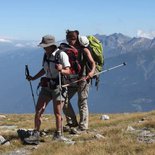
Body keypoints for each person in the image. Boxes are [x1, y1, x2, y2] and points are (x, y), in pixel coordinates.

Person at [26, 35, 71, 140]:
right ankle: (36, 132)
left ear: (52, 46)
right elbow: (44, 70)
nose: (43, 48)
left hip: (58, 87)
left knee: (57, 112)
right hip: (47, 86)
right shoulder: (46, 55)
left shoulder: (62, 55)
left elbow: (68, 71)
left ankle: (58, 134)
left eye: (45, 46)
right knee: (38, 109)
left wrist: (61, 70)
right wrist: (33, 78)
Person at [63, 30, 96, 133]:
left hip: (84, 79)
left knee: (82, 101)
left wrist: (91, 73)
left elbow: (92, 62)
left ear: (75, 39)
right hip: (73, 78)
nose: (69, 41)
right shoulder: (68, 49)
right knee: (64, 99)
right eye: (68, 38)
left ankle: (83, 126)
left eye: (71, 39)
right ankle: (72, 122)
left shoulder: (84, 49)